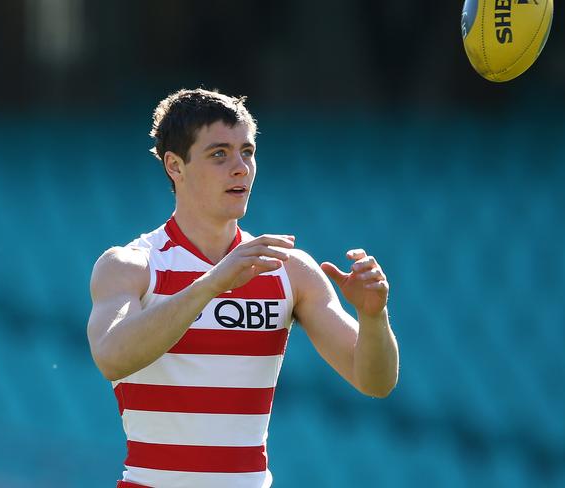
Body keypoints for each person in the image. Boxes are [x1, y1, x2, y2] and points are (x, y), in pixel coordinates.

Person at [87, 88, 399, 488]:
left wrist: (374, 317)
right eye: (219, 154)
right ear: (174, 166)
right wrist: (212, 283)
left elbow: (375, 381)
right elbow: (111, 356)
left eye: (247, 152)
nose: (241, 168)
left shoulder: (289, 270)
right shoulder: (132, 265)